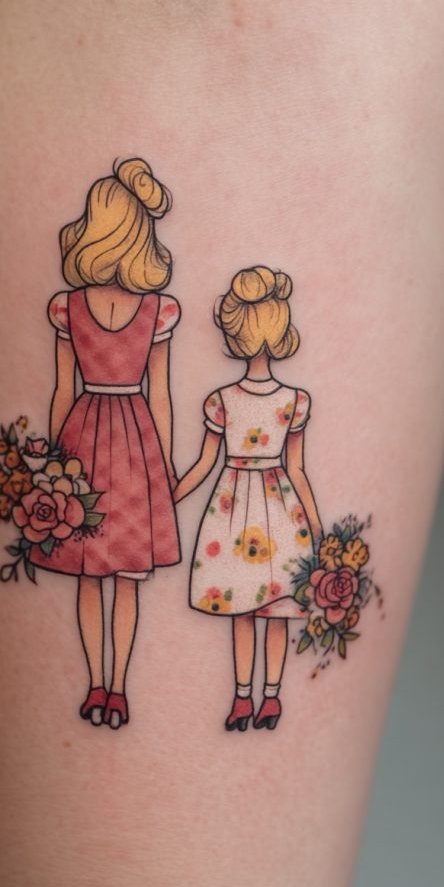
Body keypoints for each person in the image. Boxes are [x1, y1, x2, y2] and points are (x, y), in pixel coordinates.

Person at [0, 0, 444, 887]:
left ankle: (134, 686)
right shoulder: (100, 313)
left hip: (127, 445)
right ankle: (113, 686)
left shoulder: (167, 321)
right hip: (113, 443)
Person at [38, 158, 181, 728]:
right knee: (121, 579)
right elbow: (160, 397)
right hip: (135, 441)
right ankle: (114, 687)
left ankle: (103, 686)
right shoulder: (153, 310)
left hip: (86, 437)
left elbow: (62, 392)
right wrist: (165, 465)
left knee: (93, 575)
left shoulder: (72, 307)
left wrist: (53, 465)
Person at [175, 266, 322, 730]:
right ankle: (253, 698)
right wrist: (167, 498)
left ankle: (260, 697)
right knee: (254, 609)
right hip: (256, 507)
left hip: (248, 506)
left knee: (264, 611)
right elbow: (207, 464)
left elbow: (208, 465)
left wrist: (317, 526)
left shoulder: (283, 401)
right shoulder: (238, 400)